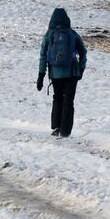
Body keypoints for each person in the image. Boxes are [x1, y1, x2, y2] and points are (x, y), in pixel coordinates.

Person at [38, 7, 87, 137]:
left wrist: (41, 75)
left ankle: (56, 127)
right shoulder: (72, 34)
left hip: (55, 74)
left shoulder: (49, 34)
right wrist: (81, 68)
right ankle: (65, 131)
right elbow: (83, 52)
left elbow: (43, 55)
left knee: (57, 98)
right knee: (69, 101)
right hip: (72, 73)